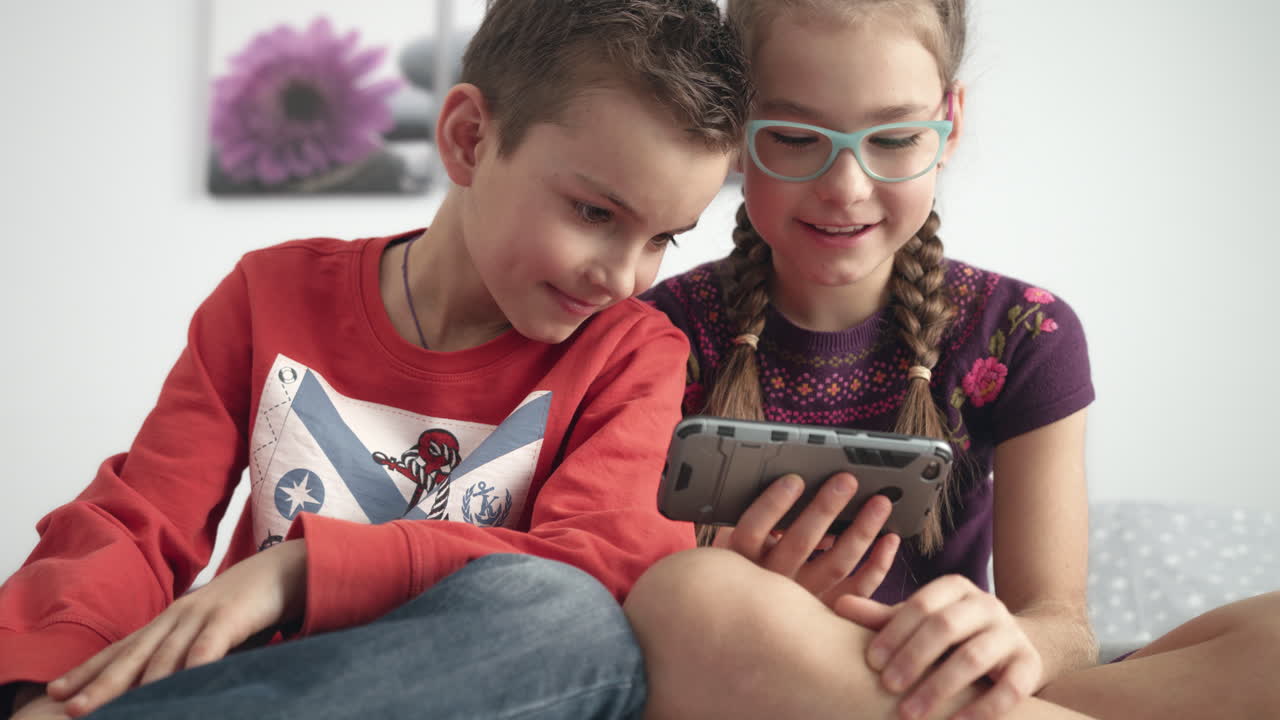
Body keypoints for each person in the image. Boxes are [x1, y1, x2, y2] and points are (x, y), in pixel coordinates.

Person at [0, 1, 750, 718]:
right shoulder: (271, 294)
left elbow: (607, 564)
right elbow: (136, 523)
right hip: (259, 686)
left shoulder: (634, 352)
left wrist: (299, 570)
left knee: (570, 615)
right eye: (595, 213)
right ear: (468, 140)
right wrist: (48, 689)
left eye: (663, 238)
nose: (623, 278)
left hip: (491, 693)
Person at [625, 1, 1280, 719]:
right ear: (733, 131)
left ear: (950, 123)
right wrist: (764, 604)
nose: (846, 187)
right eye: (792, 137)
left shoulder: (1024, 332)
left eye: (895, 138)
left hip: (959, 690)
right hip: (762, 680)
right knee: (689, 598)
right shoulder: (652, 337)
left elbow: (1062, 624)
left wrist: (1019, 640)